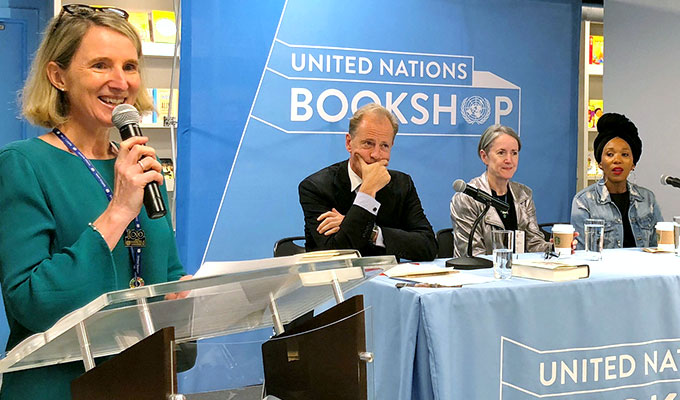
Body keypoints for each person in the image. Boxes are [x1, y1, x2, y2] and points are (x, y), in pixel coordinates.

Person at [0, 5, 187, 399]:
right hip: (57, 389)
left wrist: (183, 299)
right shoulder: (22, 164)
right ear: (58, 76)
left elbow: (167, 278)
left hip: (140, 383)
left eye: (130, 66)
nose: (120, 82)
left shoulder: (140, 165)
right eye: (101, 65)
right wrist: (118, 211)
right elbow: (32, 304)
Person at [298, 103, 437, 261]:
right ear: (349, 143)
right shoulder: (316, 187)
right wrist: (368, 191)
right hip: (335, 282)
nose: (376, 155)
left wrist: (372, 232)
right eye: (368, 143)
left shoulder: (402, 184)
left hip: (386, 282)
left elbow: (428, 246)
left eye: (384, 146)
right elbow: (337, 254)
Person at [450, 125, 551, 256]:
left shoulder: (524, 195)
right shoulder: (467, 198)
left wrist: (556, 247)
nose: (509, 160)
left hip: (519, 273)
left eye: (514, 153)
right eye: (501, 153)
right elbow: (472, 254)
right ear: (484, 156)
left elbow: (534, 244)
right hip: (481, 273)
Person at [571, 113, 663, 248]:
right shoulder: (584, 201)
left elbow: (659, 247)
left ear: (633, 164)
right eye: (610, 154)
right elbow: (580, 253)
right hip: (601, 268)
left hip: (644, 268)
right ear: (600, 163)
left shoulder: (648, 199)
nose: (617, 160)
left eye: (625, 154)